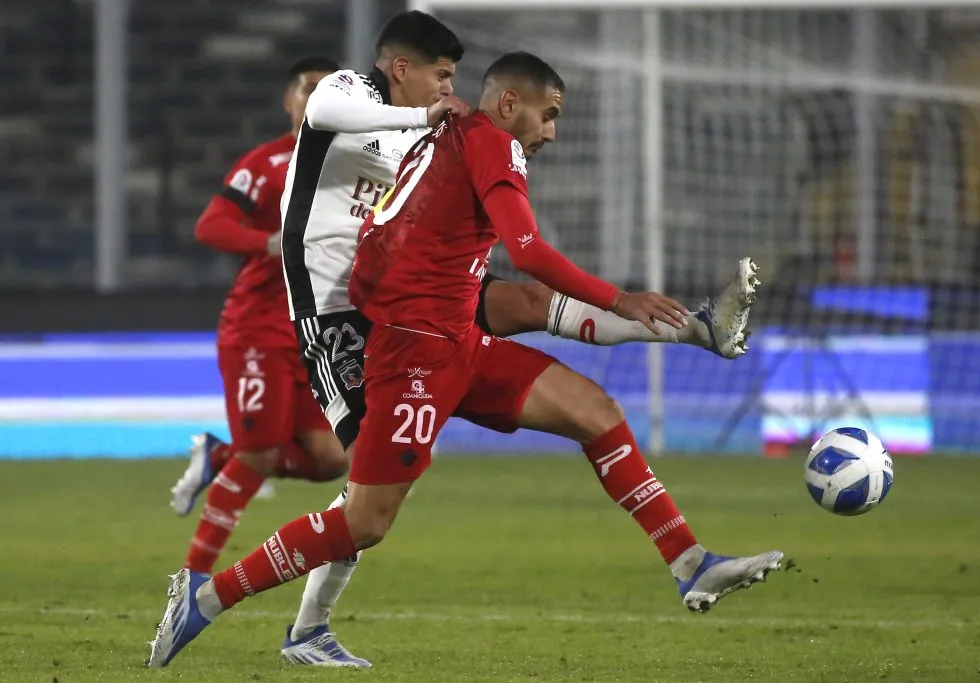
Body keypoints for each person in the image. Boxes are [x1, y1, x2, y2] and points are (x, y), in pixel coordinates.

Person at [146, 49, 781, 669]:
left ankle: (689, 561)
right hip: (409, 353)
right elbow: (528, 251)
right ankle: (205, 598)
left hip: (457, 340)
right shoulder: (488, 143)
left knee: (596, 410)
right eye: (548, 114)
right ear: (510, 104)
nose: (552, 133)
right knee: (364, 521)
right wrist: (621, 297)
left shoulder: (446, 139)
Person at [169, 57, 349, 580]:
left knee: (330, 458)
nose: (318, 99)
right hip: (260, 328)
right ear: (289, 100)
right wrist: (268, 243)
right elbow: (211, 226)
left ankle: (219, 455)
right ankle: (192, 579)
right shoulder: (267, 164)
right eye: (309, 88)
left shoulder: (361, 165)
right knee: (261, 455)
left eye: (330, 91)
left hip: (317, 334)